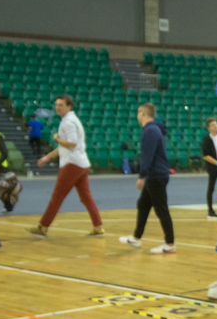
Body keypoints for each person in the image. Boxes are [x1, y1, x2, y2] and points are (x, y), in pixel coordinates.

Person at [31, 94, 104, 237]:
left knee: (57, 196)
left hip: (72, 164)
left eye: (61, 105)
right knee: (86, 198)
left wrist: (57, 138)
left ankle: (43, 227)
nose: (57, 107)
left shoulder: (68, 122)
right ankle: (98, 227)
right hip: (81, 163)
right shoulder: (71, 120)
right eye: (57, 104)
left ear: (69, 106)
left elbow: (72, 143)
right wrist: (47, 157)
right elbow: (66, 147)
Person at [118, 103, 176, 253]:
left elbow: (147, 156)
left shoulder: (150, 131)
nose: (137, 116)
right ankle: (136, 238)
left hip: (155, 175)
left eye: (138, 113)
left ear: (143, 112)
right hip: (156, 174)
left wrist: (141, 176)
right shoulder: (154, 129)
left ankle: (170, 244)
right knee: (143, 204)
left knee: (161, 209)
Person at [201, 117, 217, 219]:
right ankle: (210, 210)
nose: (216, 126)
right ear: (209, 128)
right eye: (213, 125)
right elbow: (206, 155)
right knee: (211, 187)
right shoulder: (206, 139)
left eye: (216, 124)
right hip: (213, 167)